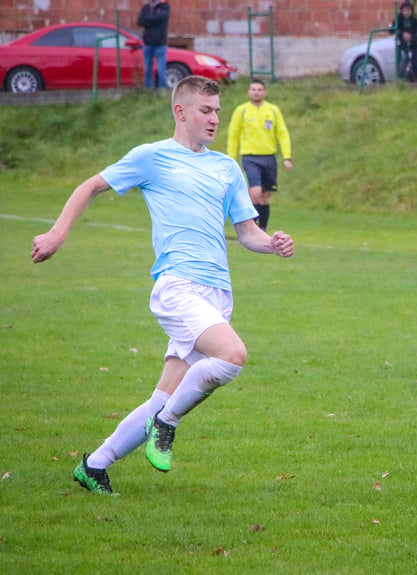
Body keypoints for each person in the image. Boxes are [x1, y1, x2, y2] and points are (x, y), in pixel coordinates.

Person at [31, 75, 295, 495]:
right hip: (177, 287)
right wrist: (58, 232)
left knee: (164, 394)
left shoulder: (226, 168)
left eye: (217, 112)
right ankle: (166, 424)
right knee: (232, 356)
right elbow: (91, 186)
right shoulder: (152, 157)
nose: (214, 120)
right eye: (206, 111)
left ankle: (94, 466)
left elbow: (247, 234)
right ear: (181, 111)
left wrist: (272, 243)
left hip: (217, 294)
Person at [226, 78, 292, 232]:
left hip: (269, 157)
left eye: (259, 89)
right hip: (250, 157)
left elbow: (282, 133)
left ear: (265, 92)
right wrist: (231, 157)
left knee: (265, 196)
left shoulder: (273, 110)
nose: (256, 92)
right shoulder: (241, 111)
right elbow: (233, 134)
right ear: (249, 92)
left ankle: (262, 228)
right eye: (253, 89)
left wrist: (287, 156)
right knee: (254, 192)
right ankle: (252, 227)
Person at [137, 0, 171, 89]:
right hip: (147, 43)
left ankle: (162, 90)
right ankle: (147, 90)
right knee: (147, 70)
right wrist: (153, 19)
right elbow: (140, 21)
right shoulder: (146, 7)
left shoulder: (164, 6)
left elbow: (161, 18)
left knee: (161, 71)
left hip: (160, 44)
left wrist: (148, 20)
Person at [392, 0, 417, 82]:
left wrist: (412, 37)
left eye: (408, 10)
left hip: (415, 44)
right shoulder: (398, 19)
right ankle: (402, 79)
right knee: (402, 62)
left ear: (412, 11)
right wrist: (402, 34)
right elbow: (392, 29)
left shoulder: (416, 20)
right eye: (404, 10)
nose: (406, 13)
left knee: (416, 63)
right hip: (403, 45)